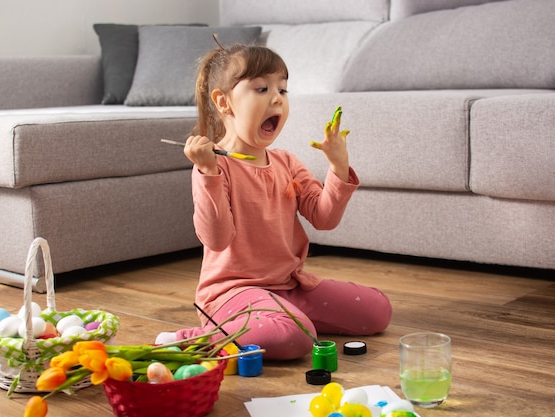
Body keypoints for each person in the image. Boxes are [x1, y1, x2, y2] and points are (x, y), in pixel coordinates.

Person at [156, 40, 392, 360]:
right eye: (262, 89)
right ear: (224, 102)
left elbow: (324, 218)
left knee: (378, 312)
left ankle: (277, 315)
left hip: (289, 286)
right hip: (231, 295)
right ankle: (193, 337)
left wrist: (337, 167)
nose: (277, 99)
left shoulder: (286, 162)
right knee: (296, 336)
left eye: (282, 90)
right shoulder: (214, 167)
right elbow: (217, 238)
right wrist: (208, 173)